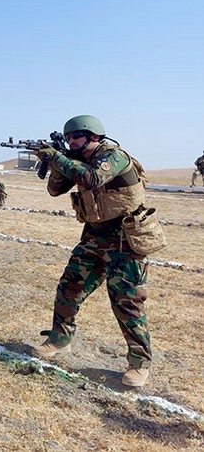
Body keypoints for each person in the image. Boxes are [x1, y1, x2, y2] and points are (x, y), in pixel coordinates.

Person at [31, 114, 153, 388]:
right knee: (69, 287)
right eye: (68, 138)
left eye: (76, 136)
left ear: (94, 136)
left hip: (125, 240)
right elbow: (54, 190)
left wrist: (58, 158)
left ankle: (139, 363)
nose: (71, 141)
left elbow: (93, 177)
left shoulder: (115, 156)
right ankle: (60, 339)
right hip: (94, 236)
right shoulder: (76, 161)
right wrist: (56, 162)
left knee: (126, 300)